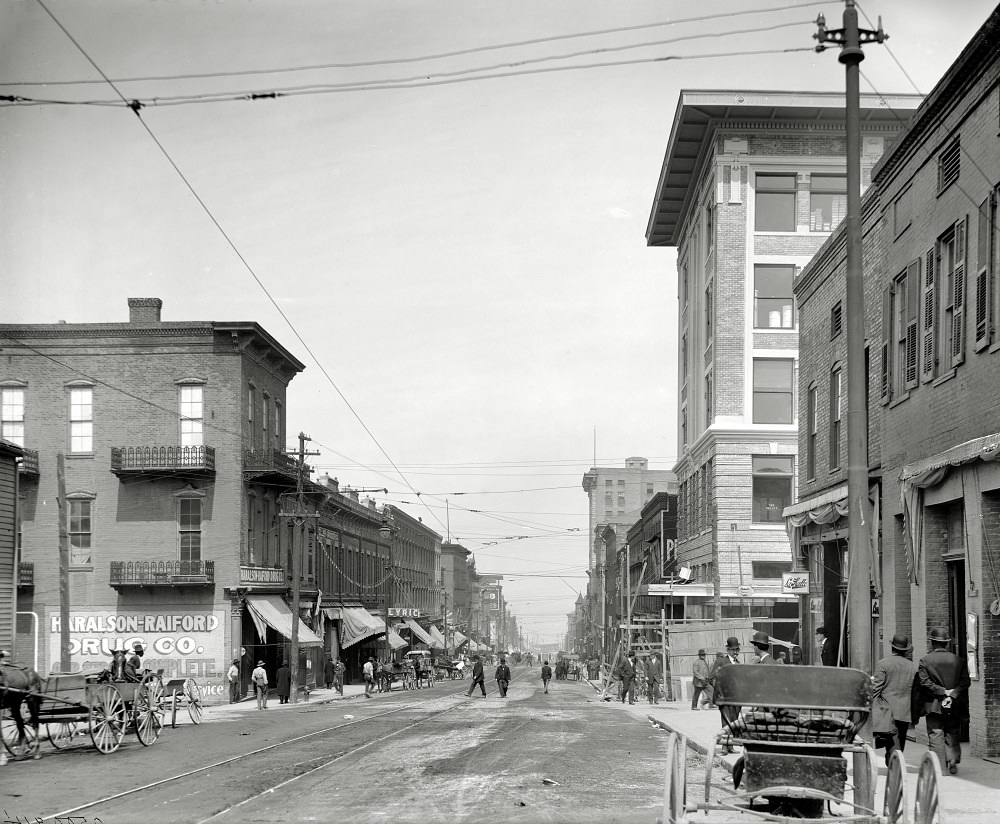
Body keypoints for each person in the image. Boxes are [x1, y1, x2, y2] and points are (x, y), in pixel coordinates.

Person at [918, 626, 970, 775]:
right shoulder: (958, 660)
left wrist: (942, 692)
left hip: (934, 704)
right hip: (954, 704)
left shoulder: (925, 660)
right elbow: (965, 682)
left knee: (936, 733)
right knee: (952, 731)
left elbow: (925, 683)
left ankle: (939, 766)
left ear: (932, 643)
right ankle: (953, 760)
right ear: (946, 643)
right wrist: (951, 695)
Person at [872, 633, 919, 768]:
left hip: (887, 708)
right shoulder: (913, 666)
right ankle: (894, 760)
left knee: (891, 738)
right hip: (905, 709)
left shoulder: (883, 664)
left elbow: (876, 688)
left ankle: (894, 763)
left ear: (892, 648)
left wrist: (873, 707)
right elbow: (915, 691)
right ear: (905, 650)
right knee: (901, 737)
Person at [718, 637, 742, 753]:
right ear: (728, 650)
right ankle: (724, 746)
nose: (735, 652)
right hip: (725, 698)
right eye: (733, 650)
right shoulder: (721, 662)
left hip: (736, 700)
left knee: (733, 721)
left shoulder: (739, 664)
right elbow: (713, 677)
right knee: (725, 721)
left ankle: (730, 746)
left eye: (737, 649)